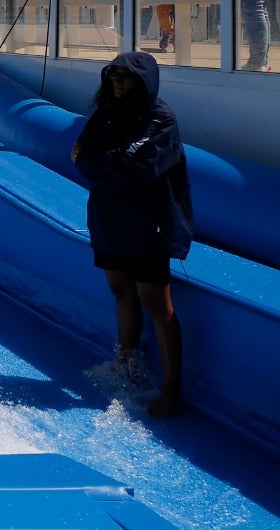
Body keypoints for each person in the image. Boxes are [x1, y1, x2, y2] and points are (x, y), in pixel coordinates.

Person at [69, 52, 193, 418]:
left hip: (147, 223)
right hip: (109, 216)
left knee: (156, 302)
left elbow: (137, 166)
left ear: (144, 81)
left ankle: (171, 390)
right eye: (114, 76)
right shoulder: (106, 114)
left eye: (126, 77)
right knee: (120, 290)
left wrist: (98, 162)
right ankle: (125, 363)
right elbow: (80, 156)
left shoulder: (160, 119)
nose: (118, 83)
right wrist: (104, 163)